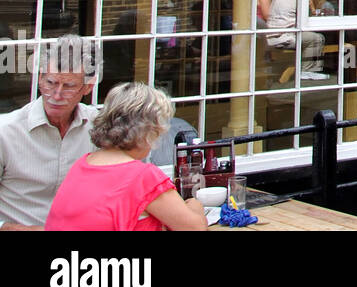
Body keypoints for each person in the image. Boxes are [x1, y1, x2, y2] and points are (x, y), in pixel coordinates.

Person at [45, 83, 207, 231]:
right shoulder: (142, 176)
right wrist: (195, 206)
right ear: (148, 131)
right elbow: (195, 228)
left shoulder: (84, 163)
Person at [0, 35, 98, 230]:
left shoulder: (99, 126)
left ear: (88, 87)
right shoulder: (5, 132)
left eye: (69, 86)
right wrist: (12, 228)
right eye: (50, 83)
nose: (56, 95)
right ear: (40, 78)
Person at [260, 0, 326, 77]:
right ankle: (307, 71)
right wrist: (312, 7)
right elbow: (308, 21)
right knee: (317, 38)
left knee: (309, 37)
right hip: (283, 37)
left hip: (270, 37)